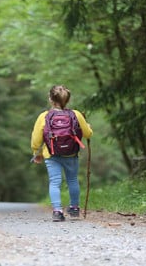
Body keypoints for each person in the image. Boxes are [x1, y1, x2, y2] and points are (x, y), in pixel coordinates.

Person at [31, 85, 93, 222]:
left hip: (51, 155)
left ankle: (57, 211)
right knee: (72, 180)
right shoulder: (76, 114)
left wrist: (37, 153)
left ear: (50, 99)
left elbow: (36, 139)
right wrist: (88, 127)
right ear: (68, 100)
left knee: (54, 182)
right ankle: (75, 208)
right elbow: (88, 134)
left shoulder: (44, 116)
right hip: (71, 154)